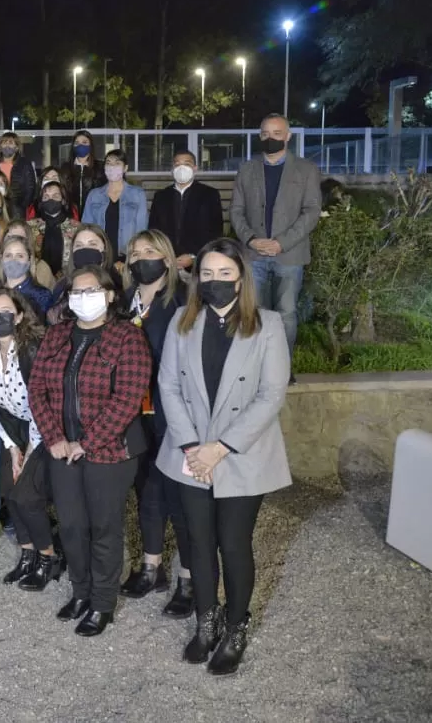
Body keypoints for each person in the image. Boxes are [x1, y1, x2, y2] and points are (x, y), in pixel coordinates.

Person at [156, 237, 292, 675]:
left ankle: (235, 626)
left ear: (241, 279)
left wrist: (220, 448)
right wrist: (194, 447)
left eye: (224, 274)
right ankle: (206, 619)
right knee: (198, 542)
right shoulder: (182, 319)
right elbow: (169, 387)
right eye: (207, 274)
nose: (215, 282)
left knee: (233, 544)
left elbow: (272, 395)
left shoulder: (267, 325)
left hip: (240, 453)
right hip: (190, 451)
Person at [28, 264, 151, 637]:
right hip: (62, 447)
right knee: (70, 524)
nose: (83, 298)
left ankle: (102, 603)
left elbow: (127, 399)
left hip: (111, 452)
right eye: (76, 293)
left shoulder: (127, 338)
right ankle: (81, 592)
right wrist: (54, 438)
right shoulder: (57, 335)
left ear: (110, 294)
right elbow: (37, 390)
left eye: (91, 290)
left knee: (103, 527)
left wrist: (87, 442)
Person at [119, 230, 194, 616]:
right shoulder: (124, 301)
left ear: (167, 258)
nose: (141, 257)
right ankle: (151, 566)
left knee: (179, 495)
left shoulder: (182, 300)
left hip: (173, 412)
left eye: (149, 251)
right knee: (146, 490)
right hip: (136, 413)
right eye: (135, 252)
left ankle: (188, 575)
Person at [0, 286, 62, 590]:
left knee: (27, 495)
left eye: (5, 312)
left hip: (45, 429)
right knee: (7, 487)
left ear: (19, 316)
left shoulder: (32, 350)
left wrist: (28, 453)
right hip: (15, 430)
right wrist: (13, 448)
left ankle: (48, 557)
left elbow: (47, 403)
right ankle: (27, 554)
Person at [230, 113, 322, 367]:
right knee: (255, 314)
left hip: (289, 254)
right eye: (265, 134)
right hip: (254, 254)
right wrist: (250, 239)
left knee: (286, 314)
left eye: (277, 134)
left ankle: (283, 367)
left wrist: (282, 242)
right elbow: (236, 211)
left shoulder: (306, 170)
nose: (270, 139)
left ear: (288, 136)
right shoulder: (247, 170)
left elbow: (312, 211)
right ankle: (258, 368)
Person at [148, 150, 224, 272]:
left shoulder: (209, 194)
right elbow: (153, 230)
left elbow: (216, 231)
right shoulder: (161, 196)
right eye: (177, 164)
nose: (181, 168)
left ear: (195, 168)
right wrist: (165, 256)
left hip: (198, 264)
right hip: (166, 264)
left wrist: (194, 256)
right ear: (172, 169)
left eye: (187, 164)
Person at [81, 150, 147, 264]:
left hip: (127, 256)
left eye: (117, 163)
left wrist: (134, 255)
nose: (112, 166)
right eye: (108, 163)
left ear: (125, 168)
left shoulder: (137, 194)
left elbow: (141, 229)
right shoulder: (94, 195)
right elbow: (86, 227)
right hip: (100, 255)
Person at [29, 180, 81, 279]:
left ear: (63, 200)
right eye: (46, 197)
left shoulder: (76, 228)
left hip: (68, 279)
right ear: (41, 201)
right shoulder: (30, 227)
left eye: (55, 196)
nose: (50, 199)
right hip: (37, 279)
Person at [0, 235, 53, 320]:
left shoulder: (42, 296)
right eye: (8, 255)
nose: (13, 260)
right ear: (1, 259)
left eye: (20, 256)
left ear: (29, 260)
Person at [0, 131, 38, 217]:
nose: (7, 145)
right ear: (0, 146)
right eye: (4, 142)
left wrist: (22, 206)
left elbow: (30, 188)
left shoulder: (25, 164)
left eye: (11, 143)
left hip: (18, 210)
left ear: (17, 147)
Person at [60, 129, 103, 206]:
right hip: (71, 213)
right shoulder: (65, 167)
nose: (80, 145)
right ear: (73, 146)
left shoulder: (100, 167)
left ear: (91, 145)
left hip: (92, 213)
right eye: (77, 143)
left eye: (84, 142)